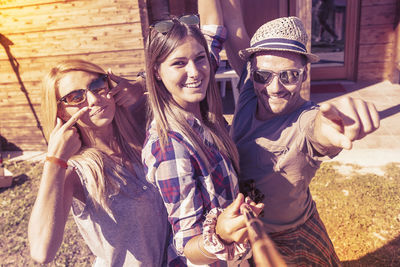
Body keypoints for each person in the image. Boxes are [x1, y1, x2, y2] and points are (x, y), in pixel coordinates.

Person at [220, 1, 380, 265]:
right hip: (246, 230)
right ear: (252, 72)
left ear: (304, 75)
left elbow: (319, 129)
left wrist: (337, 125)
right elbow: (234, 26)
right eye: (263, 75)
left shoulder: (306, 120)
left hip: (293, 235)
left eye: (290, 75)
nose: (274, 88)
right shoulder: (251, 90)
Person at [141, 0, 263, 266]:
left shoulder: (200, 108)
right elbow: (187, 246)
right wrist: (221, 232)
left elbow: (214, 31)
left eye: (200, 59)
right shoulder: (170, 146)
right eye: (179, 63)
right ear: (157, 73)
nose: (194, 72)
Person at [28, 59, 170, 266]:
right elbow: (41, 252)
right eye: (76, 97)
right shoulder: (75, 171)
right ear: (60, 111)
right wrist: (54, 161)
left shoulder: (142, 130)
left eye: (97, 86)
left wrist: (139, 85)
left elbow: (179, 77)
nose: (94, 99)